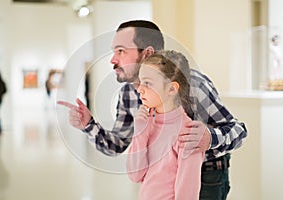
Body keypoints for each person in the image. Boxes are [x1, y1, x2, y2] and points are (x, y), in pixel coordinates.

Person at [57, 20, 248, 200]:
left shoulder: (193, 84)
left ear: (147, 53)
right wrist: (89, 124)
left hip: (207, 175)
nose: (113, 60)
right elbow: (117, 145)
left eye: (121, 51)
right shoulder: (129, 92)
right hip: (158, 179)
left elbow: (237, 130)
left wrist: (210, 137)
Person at [127, 50, 204, 199]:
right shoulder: (148, 124)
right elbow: (135, 175)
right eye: (141, 82)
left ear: (171, 89)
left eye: (147, 83)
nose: (139, 89)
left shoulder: (188, 134)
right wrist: (140, 132)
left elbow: (187, 195)